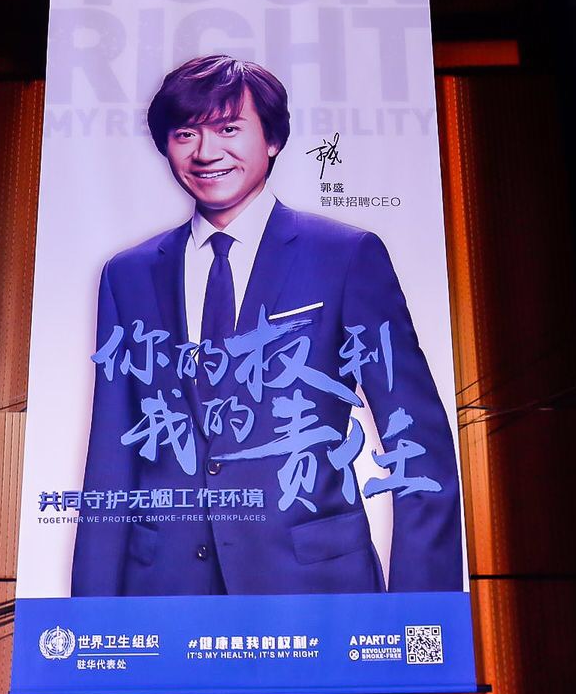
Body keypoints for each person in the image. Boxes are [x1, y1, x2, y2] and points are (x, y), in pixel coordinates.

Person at [71, 56, 462, 596]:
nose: (206, 152)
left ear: (273, 139)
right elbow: (111, 457)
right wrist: (90, 619)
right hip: (165, 594)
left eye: (229, 129)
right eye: (186, 133)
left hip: (315, 591)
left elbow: (415, 440)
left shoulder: (346, 256)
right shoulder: (128, 274)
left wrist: (420, 616)